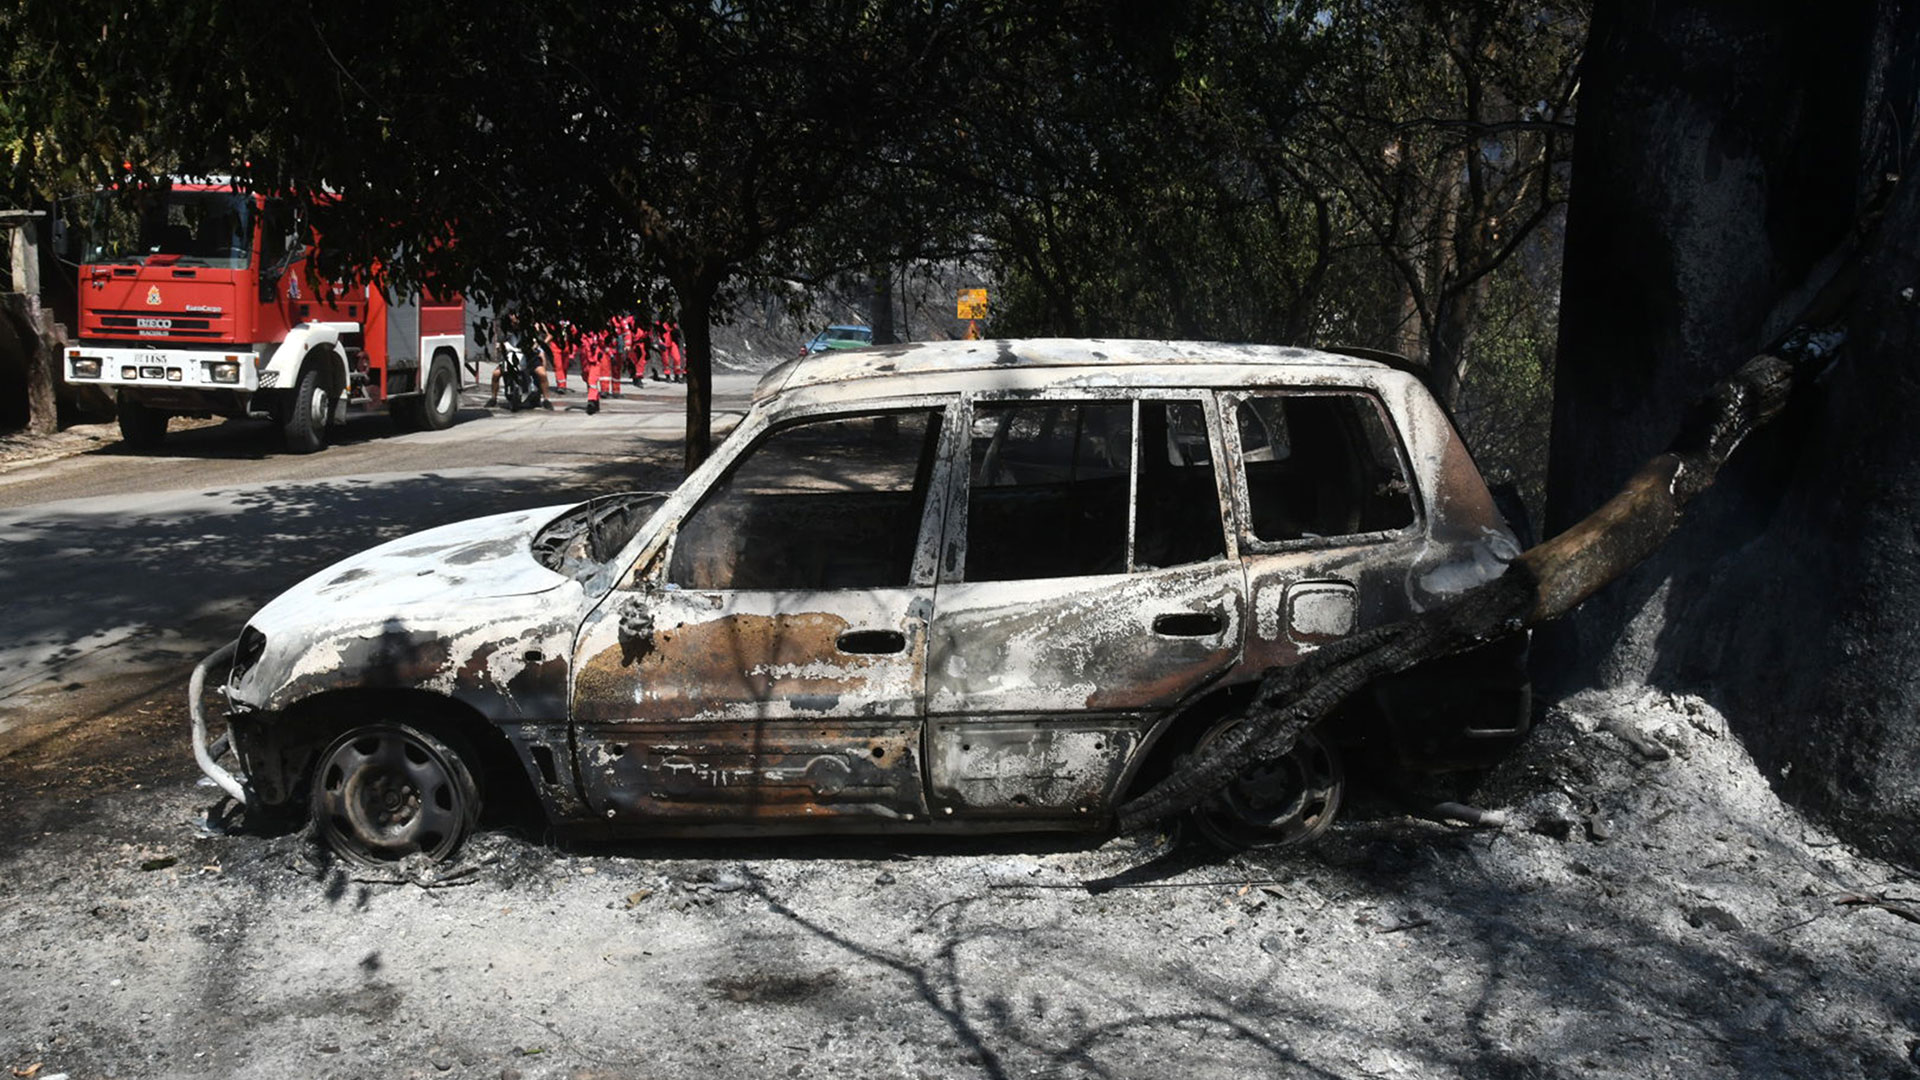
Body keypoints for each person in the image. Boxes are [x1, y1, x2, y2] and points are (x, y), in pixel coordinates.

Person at [484, 313, 553, 409]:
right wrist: (500, 347)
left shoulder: (529, 328)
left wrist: (536, 345)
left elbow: (542, 337)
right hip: (511, 355)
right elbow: (500, 340)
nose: (514, 321)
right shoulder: (505, 328)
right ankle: (493, 398)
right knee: (496, 374)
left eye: (516, 319)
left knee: (542, 374)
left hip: (529, 356)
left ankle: (546, 399)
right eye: (512, 318)